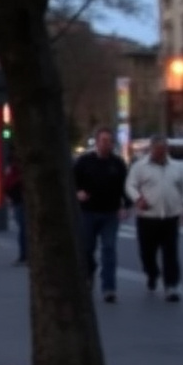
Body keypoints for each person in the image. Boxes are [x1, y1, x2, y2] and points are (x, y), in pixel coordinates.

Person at [125, 135, 183, 303]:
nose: (161, 153)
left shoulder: (176, 167)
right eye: (158, 150)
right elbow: (130, 185)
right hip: (148, 217)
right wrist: (137, 198)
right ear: (151, 149)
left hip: (170, 216)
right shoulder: (140, 167)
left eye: (164, 150)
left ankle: (171, 286)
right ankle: (152, 273)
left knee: (171, 252)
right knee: (147, 252)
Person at [73, 127, 131, 303]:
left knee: (109, 249)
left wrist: (125, 205)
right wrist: (78, 193)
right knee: (87, 248)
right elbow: (71, 181)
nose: (106, 144)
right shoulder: (84, 162)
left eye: (109, 141)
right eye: (103, 141)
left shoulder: (118, 163)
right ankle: (88, 274)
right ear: (97, 142)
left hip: (110, 213)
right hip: (88, 212)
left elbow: (125, 187)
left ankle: (109, 288)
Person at [3, 154, 26, 266]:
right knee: (24, 229)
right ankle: (25, 255)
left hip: (18, 202)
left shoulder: (13, 172)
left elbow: (7, 186)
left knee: (23, 229)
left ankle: (24, 255)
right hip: (20, 202)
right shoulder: (15, 172)